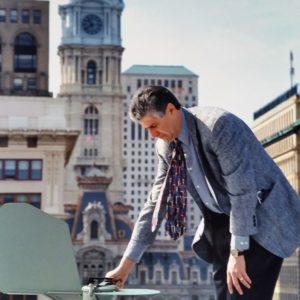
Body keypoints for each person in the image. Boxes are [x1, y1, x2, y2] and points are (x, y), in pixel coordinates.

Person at [106, 85, 300, 299]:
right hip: (218, 225)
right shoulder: (165, 146)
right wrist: (124, 267)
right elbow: (155, 205)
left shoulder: (218, 126)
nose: (152, 135)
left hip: (260, 217)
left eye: (154, 125)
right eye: (147, 129)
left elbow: (242, 191)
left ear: (171, 110)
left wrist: (238, 252)